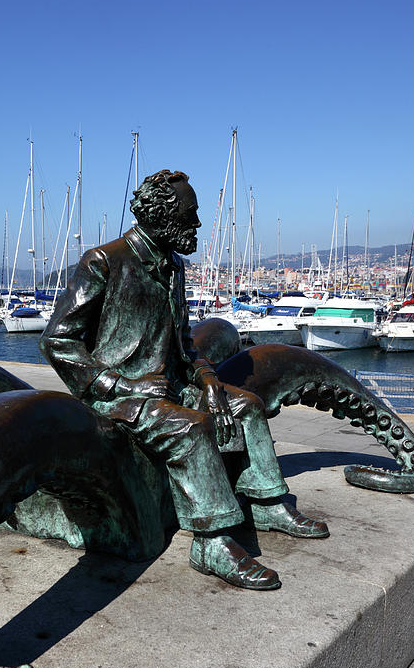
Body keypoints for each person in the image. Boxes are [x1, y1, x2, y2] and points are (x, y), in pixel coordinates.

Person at [40, 170, 327, 590]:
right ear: (160, 216)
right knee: (191, 429)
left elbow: (183, 343)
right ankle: (211, 543)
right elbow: (57, 341)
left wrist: (209, 380)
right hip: (119, 396)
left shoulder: (173, 265)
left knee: (244, 406)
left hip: (169, 386)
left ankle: (265, 502)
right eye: (190, 215)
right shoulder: (104, 262)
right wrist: (119, 386)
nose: (196, 225)